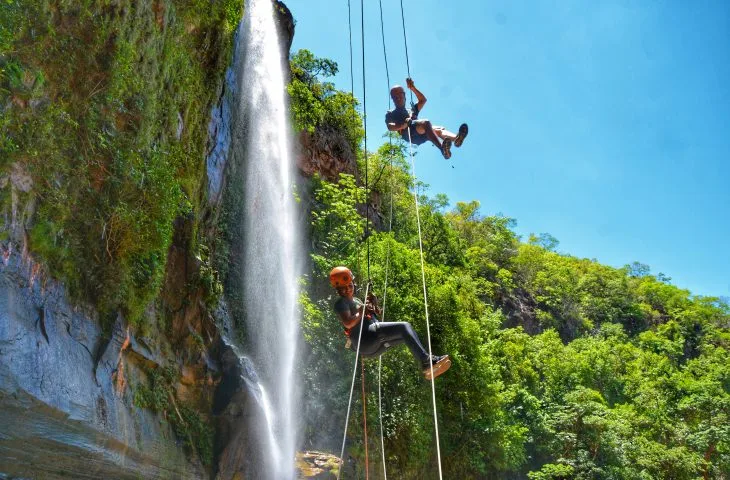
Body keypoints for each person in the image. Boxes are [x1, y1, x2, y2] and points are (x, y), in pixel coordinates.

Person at [329, 266, 451, 380]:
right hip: (364, 338)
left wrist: (374, 304)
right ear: (337, 291)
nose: (347, 289)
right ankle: (426, 361)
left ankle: (428, 366)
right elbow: (348, 323)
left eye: (349, 285)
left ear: (353, 284)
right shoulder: (341, 303)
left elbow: (374, 315)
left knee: (406, 336)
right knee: (404, 326)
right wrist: (362, 310)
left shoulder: (357, 300)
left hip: (372, 346)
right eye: (342, 288)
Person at [385, 78, 468, 160]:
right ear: (392, 99)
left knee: (439, 129)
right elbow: (390, 126)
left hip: (421, 134)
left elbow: (423, 100)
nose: (398, 97)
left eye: (399, 94)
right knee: (426, 123)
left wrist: (412, 88)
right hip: (409, 134)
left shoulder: (412, 110)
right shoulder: (391, 113)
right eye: (395, 96)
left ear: (404, 95)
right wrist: (402, 125)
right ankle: (443, 150)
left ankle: (456, 139)